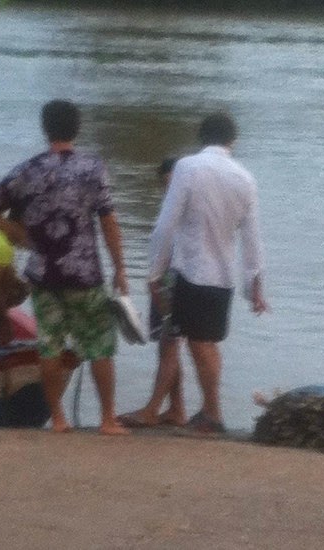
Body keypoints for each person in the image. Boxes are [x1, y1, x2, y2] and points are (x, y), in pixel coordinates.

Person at [0, 99, 129, 436]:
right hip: (84, 273)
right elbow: (108, 220)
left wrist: (16, 233)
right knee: (100, 346)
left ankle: (59, 420)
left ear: (45, 129)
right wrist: (120, 267)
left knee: (50, 346)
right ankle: (108, 419)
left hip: (44, 274)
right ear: (77, 128)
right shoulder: (92, 167)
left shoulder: (27, 170)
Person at [148, 112, 269, 434]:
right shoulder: (245, 178)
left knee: (199, 344)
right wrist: (254, 286)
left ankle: (212, 413)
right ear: (233, 140)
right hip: (223, 276)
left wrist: (154, 273)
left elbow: (166, 225)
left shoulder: (187, 167)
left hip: (192, 269)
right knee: (207, 343)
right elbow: (252, 237)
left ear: (201, 137)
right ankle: (209, 410)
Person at [119, 158, 188, 428]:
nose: (169, 188)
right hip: (163, 279)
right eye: (165, 183)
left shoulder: (183, 209)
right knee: (167, 343)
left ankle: (153, 408)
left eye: (173, 183)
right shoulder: (171, 208)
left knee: (169, 343)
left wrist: (156, 280)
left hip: (172, 280)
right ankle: (177, 408)